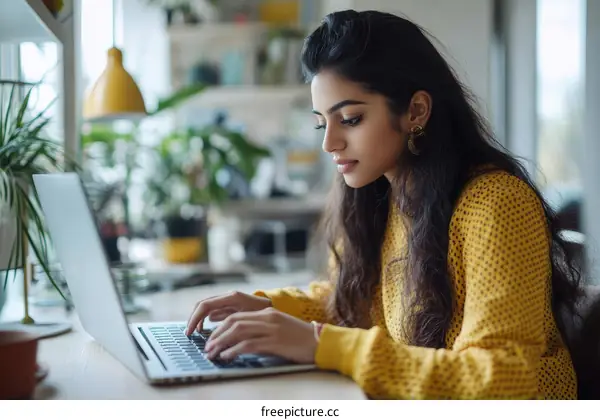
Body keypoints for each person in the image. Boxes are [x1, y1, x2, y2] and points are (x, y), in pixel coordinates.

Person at [185, 10, 592, 399]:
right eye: (321, 123)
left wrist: (319, 344)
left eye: (350, 119)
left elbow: (500, 381)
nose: (329, 143)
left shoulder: (497, 204)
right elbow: (355, 301)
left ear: (415, 110)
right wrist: (270, 306)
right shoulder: (382, 195)